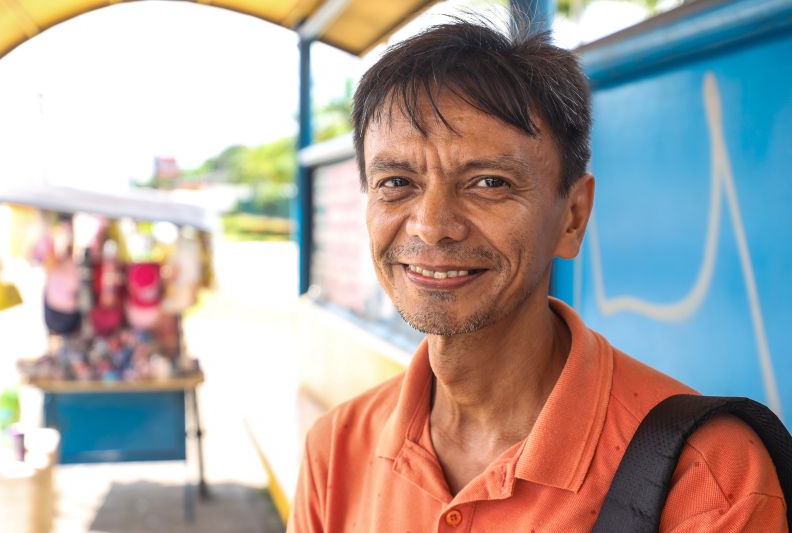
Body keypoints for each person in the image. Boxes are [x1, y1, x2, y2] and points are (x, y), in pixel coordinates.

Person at [288, 19, 787, 532]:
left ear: (572, 216)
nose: (432, 226)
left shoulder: (707, 475)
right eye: (396, 182)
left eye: (488, 182)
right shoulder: (336, 450)